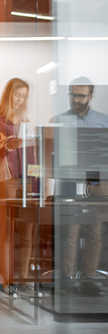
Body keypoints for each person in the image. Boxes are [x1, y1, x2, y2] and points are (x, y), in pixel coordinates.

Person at [51, 77, 108, 296]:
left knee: (93, 233)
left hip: (97, 184)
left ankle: (88, 279)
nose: (76, 99)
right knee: (69, 233)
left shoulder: (104, 121)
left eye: (81, 95)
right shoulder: (59, 120)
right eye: (73, 94)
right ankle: (65, 279)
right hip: (70, 183)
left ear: (91, 97)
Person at [0, 78, 38, 298]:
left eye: (24, 96)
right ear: (8, 95)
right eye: (17, 95)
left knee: (28, 231)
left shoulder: (27, 123)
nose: (20, 100)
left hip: (28, 180)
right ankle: (7, 280)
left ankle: (23, 279)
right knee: (8, 231)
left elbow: (34, 156)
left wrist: (37, 182)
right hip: (8, 180)